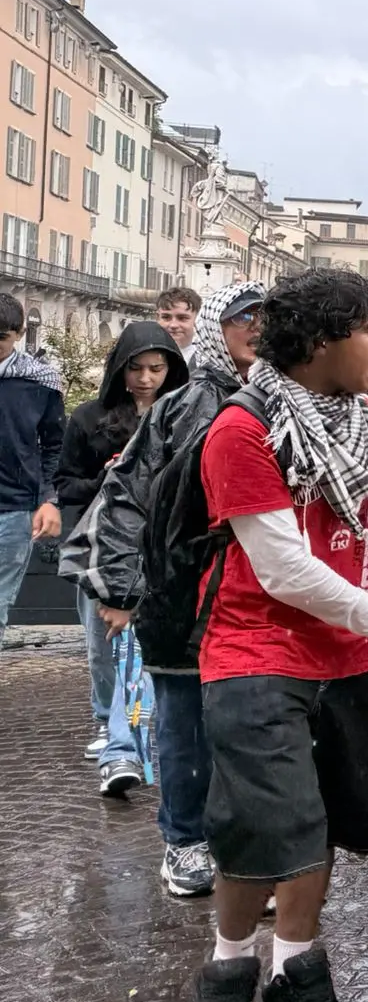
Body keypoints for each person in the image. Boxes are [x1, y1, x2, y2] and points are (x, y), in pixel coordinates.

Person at [184, 269, 368, 1002]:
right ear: (322, 340)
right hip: (254, 655)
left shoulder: (357, 422)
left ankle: (294, 966)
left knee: (325, 822)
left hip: (340, 657)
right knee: (269, 824)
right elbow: (285, 571)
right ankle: (228, 967)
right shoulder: (242, 430)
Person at [80, 284, 264, 898]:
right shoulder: (184, 406)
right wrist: (120, 588)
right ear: (218, 325)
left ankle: (239, 839)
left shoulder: (289, 402)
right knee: (184, 727)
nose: (256, 328)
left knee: (250, 726)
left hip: (260, 594)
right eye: (243, 318)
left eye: (266, 318)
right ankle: (184, 840)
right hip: (183, 595)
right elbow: (128, 498)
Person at [57, 322, 187, 769]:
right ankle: (107, 721)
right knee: (102, 643)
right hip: (101, 544)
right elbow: (67, 483)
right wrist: (108, 475)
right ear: (120, 369)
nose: (147, 379)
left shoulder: (184, 412)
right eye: (137, 369)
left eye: (156, 368)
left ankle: (138, 726)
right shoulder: (90, 417)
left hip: (161, 545)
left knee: (152, 641)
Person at [0, 292, 64, 644]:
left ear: (19, 334)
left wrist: (48, 499)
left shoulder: (41, 382)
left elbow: (55, 447)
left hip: (13, 508)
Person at [156, 285, 202, 353]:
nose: (173, 325)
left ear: (197, 320)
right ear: (157, 318)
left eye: (182, 318)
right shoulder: (141, 356)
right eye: (166, 317)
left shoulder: (208, 360)